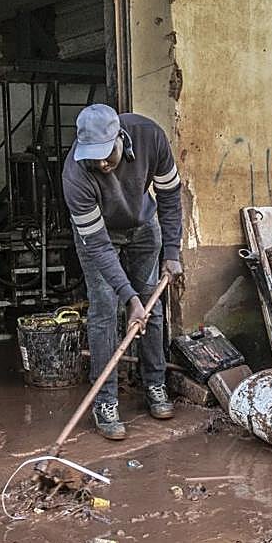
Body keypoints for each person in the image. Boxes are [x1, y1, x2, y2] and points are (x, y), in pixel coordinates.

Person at [63, 104, 183, 440]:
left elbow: (170, 196)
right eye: (93, 158)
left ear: (121, 138)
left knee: (151, 305)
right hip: (100, 236)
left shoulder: (150, 136)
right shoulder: (75, 176)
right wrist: (128, 298)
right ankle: (105, 401)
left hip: (143, 224)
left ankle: (155, 384)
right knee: (105, 309)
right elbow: (99, 247)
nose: (101, 164)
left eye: (106, 155)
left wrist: (172, 251)